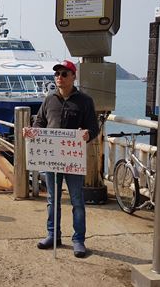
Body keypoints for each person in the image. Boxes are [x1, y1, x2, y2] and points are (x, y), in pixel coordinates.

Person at [32, 59, 99, 258]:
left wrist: (88, 134)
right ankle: (53, 235)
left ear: (73, 76)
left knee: (77, 201)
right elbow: (39, 121)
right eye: (57, 74)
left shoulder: (85, 101)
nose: (59, 77)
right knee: (53, 200)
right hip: (52, 158)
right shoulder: (49, 99)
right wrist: (33, 132)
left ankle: (78, 240)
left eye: (64, 74)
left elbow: (94, 128)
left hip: (72, 159)